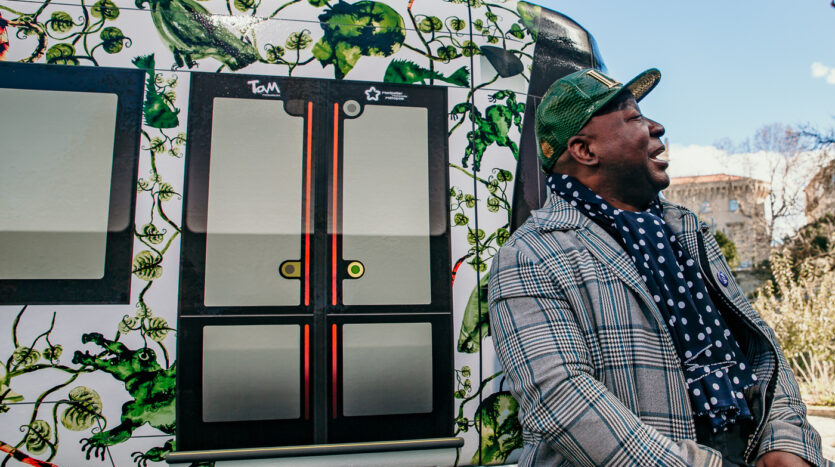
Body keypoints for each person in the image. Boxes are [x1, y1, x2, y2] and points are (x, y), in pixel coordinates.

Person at [488, 68, 831, 466]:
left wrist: (785, 442)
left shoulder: (686, 231)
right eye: (634, 118)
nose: (657, 126)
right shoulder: (530, 254)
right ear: (584, 150)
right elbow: (561, 400)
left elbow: (760, 346)